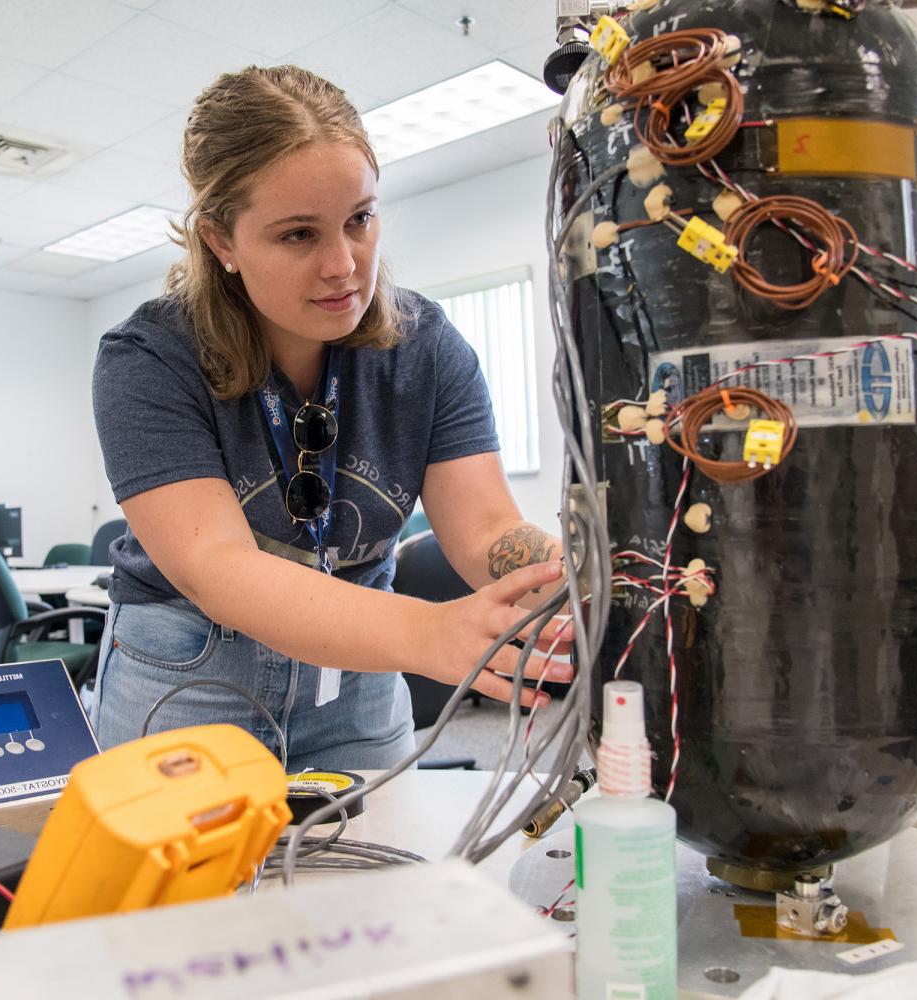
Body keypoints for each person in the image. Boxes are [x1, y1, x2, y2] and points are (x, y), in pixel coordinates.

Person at [90, 65, 568, 771]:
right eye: (297, 236)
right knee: (187, 885)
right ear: (222, 240)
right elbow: (219, 569)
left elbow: (487, 529)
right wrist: (431, 632)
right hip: (187, 680)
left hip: (357, 679)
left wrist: (579, 580)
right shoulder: (149, 360)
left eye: (360, 220)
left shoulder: (427, 351)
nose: (343, 264)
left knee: (372, 873)